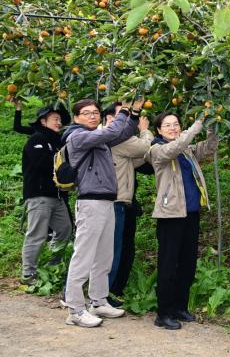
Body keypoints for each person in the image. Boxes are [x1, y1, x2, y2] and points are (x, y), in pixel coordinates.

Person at [62, 98, 143, 327]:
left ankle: (98, 301)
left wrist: (135, 112)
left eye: (95, 112)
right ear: (76, 117)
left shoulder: (98, 138)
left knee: (104, 256)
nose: (92, 116)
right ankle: (75, 310)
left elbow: (124, 131)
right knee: (83, 257)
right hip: (90, 202)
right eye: (87, 113)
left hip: (107, 201)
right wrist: (124, 110)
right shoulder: (77, 136)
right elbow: (112, 131)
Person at [146, 113, 218, 330]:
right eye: (167, 125)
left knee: (187, 263)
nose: (173, 128)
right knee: (168, 265)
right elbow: (174, 148)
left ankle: (179, 307)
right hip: (170, 215)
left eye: (176, 124)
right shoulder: (157, 150)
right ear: (159, 130)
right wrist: (196, 126)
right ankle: (163, 313)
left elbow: (209, 148)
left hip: (191, 213)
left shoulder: (187, 150)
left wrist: (212, 125)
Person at [102, 102, 154, 306]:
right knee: (112, 250)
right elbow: (144, 147)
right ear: (110, 119)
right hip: (116, 202)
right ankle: (102, 296)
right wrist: (145, 131)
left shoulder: (106, 138)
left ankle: (101, 294)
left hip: (113, 201)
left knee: (106, 249)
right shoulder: (118, 138)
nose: (128, 121)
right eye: (123, 116)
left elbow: (134, 160)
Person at [19, 104, 73, 285]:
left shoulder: (57, 142)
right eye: (55, 119)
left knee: (65, 230)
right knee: (36, 234)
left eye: (60, 119)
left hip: (57, 196)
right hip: (39, 195)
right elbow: (43, 164)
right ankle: (28, 274)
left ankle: (51, 266)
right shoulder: (36, 139)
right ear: (43, 121)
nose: (59, 122)